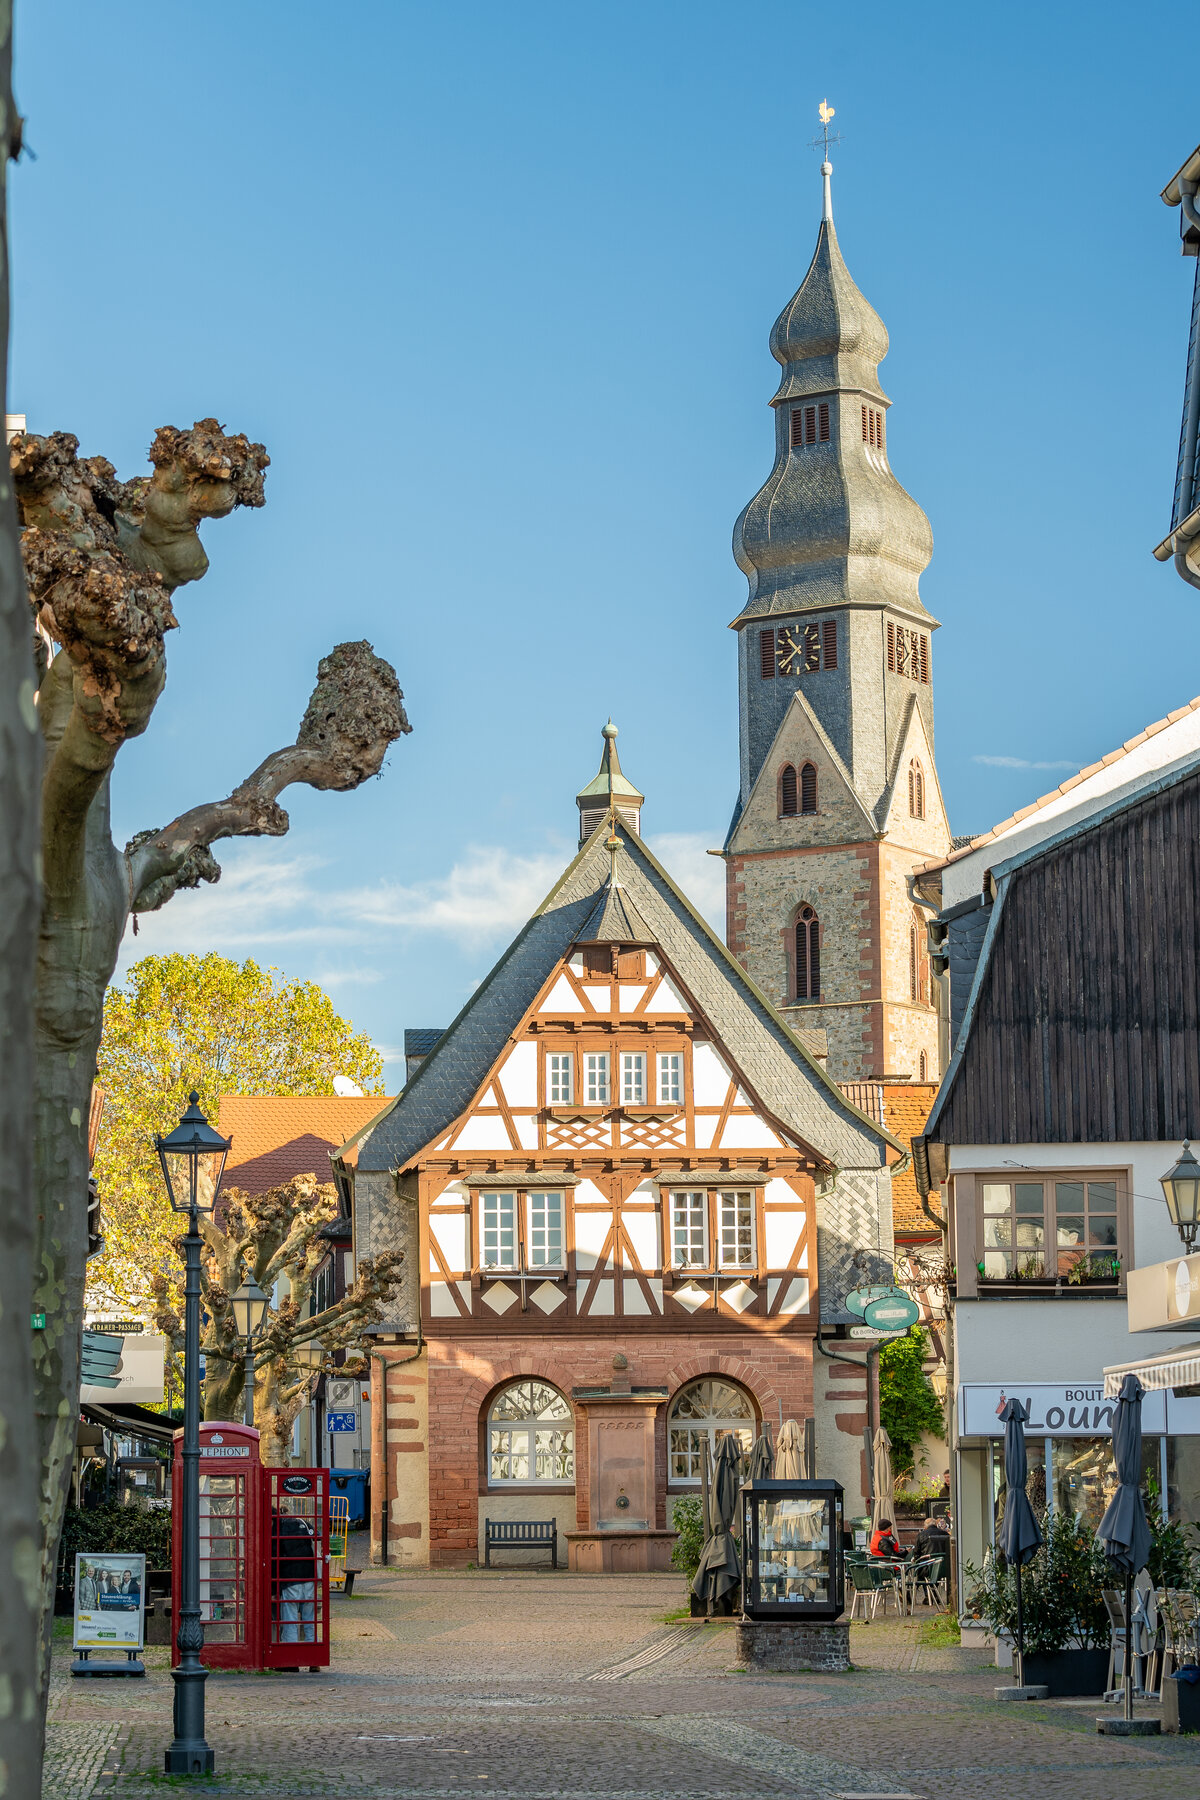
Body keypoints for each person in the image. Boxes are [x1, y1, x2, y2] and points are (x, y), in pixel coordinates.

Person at [273, 1505, 317, 1644]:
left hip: (290, 1579)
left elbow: (274, 1561)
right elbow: (316, 1535)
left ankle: (290, 1653)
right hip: (309, 1576)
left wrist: (274, 1589)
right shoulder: (300, 1522)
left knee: (290, 1619)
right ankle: (313, 1653)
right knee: (310, 1618)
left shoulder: (277, 1530)